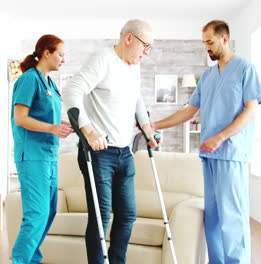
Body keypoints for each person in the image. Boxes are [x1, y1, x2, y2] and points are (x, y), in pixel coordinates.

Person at [152, 20, 261, 264]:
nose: (207, 48)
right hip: (209, 156)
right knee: (212, 219)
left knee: (232, 217)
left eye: (210, 42)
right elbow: (188, 111)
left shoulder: (245, 69)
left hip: (231, 153)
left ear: (224, 39)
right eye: (204, 43)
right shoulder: (208, 76)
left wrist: (220, 137)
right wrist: (155, 125)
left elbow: (250, 111)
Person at [62, 19, 159, 264]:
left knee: (127, 215)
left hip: (124, 152)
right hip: (99, 154)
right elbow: (72, 90)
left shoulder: (133, 66)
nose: (145, 53)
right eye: (144, 46)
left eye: (149, 48)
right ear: (129, 39)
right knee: (101, 217)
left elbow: (136, 98)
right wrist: (89, 131)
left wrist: (147, 130)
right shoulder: (103, 59)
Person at [10, 34, 73, 264]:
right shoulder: (29, 79)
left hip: (49, 156)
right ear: (47, 52)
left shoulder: (50, 84)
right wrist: (53, 128)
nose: (63, 60)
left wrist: (67, 126)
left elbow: (51, 119)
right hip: (32, 156)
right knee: (36, 215)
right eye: (61, 54)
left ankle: (32, 259)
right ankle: (20, 260)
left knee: (49, 212)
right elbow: (20, 118)